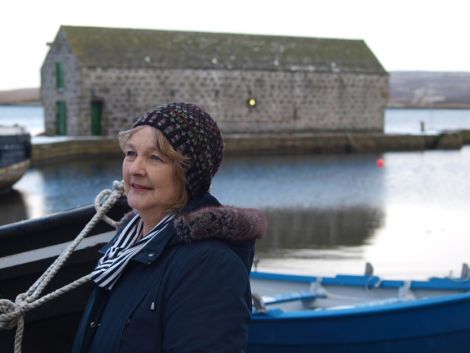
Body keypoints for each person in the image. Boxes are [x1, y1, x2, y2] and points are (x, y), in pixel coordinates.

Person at [71, 102, 266, 353]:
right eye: (131, 153)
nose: (135, 169)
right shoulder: (124, 248)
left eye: (155, 158)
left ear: (188, 173)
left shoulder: (209, 266)